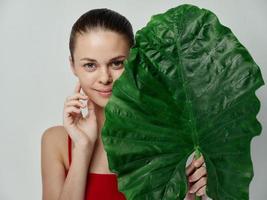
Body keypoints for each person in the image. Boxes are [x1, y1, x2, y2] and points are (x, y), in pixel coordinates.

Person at [41, 8, 207, 200]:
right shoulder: (56, 141)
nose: (104, 78)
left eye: (117, 63)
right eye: (90, 65)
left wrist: (188, 195)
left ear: (134, 62)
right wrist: (83, 148)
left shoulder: (167, 138)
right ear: (73, 66)